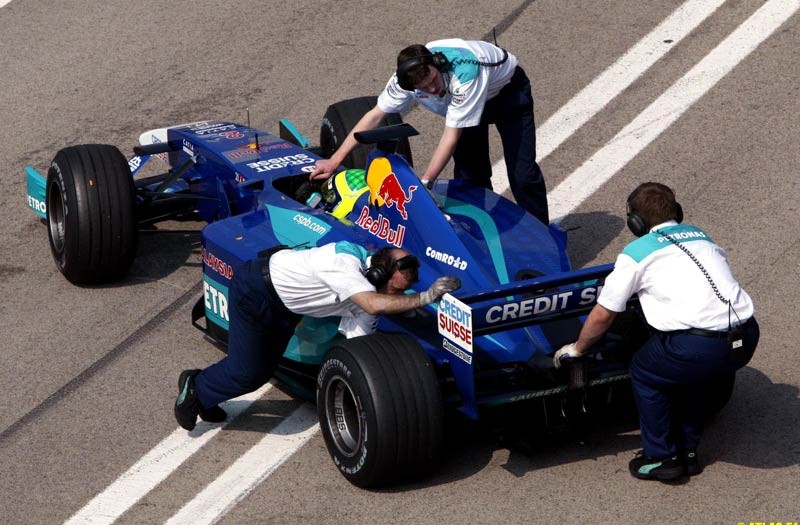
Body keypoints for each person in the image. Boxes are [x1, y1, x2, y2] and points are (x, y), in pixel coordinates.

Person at [553, 182, 759, 480]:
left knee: (646, 372)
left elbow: (603, 315)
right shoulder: (702, 236)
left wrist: (578, 349)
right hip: (746, 337)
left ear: (635, 222)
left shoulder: (636, 253)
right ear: (676, 212)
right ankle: (688, 450)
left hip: (697, 347)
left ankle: (663, 458)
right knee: (698, 376)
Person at [175, 242, 461, 430]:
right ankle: (196, 389)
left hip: (286, 307)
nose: (397, 299)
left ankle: (207, 393)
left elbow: (361, 347)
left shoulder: (370, 296)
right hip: (255, 291)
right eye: (396, 291)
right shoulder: (343, 262)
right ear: (376, 274)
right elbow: (374, 304)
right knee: (247, 372)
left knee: (261, 370)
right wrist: (424, 298)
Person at [309, 38, 549, 225]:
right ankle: (481, 236)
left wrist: (424, 184)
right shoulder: (403, 81)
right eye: (423, 88)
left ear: (437, 64)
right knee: (469, 176)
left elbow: (451, 135)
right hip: (463, 102)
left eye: (433, 80)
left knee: (522, 175)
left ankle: (545, 240)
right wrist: (334, 160)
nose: (432, 89)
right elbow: (374, 116)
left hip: (507, 97)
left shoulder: (466, 73)